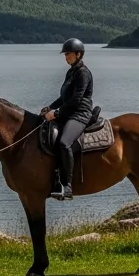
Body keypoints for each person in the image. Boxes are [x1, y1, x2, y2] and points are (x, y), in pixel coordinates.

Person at [40, 38, 93, 200]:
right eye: (65, 54)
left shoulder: (83, 73)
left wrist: (56, 114)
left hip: (80, 114)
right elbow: (64, 98)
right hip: (69, 112)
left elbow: (76, 100)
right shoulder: (71, 72)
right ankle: (55, 178)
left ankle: (68, 186)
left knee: (64, 142)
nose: (66, 57)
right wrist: (49, 108)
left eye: (68, 54)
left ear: (78, 54)